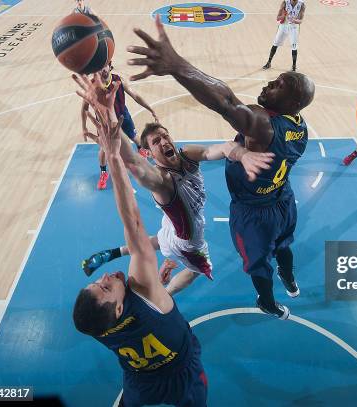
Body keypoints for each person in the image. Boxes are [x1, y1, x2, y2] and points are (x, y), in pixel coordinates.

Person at [127, 15, 315, 319]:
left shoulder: (263, 126)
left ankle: (266, 302)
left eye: (279, 84)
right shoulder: (299, 124)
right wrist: (238, 151)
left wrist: (177, 66)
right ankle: (290, 279)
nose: (270, 82)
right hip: (283, 199)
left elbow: (226, 102)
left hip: (253, 213)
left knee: (258, 264)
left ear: (291, 101)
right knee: (284, 245)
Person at [72, 74, 207, 407]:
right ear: (119, 308)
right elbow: (131, 219)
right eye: (104, 288)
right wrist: (114, 156)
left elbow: (99, 309)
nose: (103, 278)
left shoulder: (98, 326)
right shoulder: (141, 286)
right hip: (180, 370)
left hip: (138, 377)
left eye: (95, 284)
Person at [81, 119, 274, 295]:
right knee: (198, 269)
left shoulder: (188, 155)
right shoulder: (162, 180)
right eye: (156, 141)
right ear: (147, 153)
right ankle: (165, 295)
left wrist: (242, 154)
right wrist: (112, 126)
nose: (164, 142)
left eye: (166, 136)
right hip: (188, 240)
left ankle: (111, 254)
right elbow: (134, 163)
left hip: (173, 225)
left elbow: (219, 149)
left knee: (160, 239)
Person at [81, 61, 159, 190]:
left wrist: (150, 109)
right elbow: (84, 108)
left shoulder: (118, 80)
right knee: (104, 149)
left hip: (123, 116)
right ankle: (103, 173)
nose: (102, 70)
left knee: (134, 137)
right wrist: (84, 127)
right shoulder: (92, 86)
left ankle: (141, 149)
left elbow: (135, 96)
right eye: (99, 68)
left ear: (109, 66)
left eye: (104, 66)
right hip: (105, 123)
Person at [262, 0, 306, 72]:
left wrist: (294, 20)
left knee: (294, 47)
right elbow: (278, 18)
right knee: (275, 44)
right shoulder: (285, 2)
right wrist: (283, 16)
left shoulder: (302, 4)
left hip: (294, 27)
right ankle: (269, 62)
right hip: (283, 26)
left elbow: (301, 21)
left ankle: (294, 66)